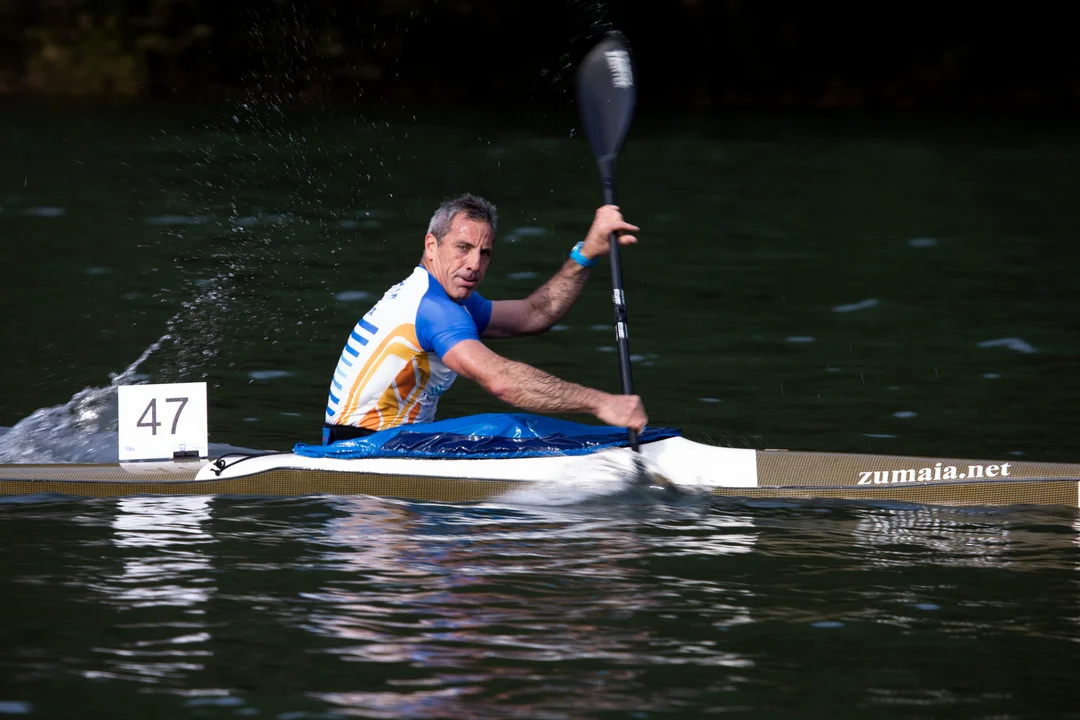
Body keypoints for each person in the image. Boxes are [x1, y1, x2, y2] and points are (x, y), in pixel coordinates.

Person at [322, 193, 647, 444]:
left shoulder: (444, 297)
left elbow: (534, 314)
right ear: (431, 246)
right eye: (463, 248)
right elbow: (502, 381)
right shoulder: (432, 309)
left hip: (379, 444)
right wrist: (601, 403)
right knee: (510, 428)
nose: (474, 264)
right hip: (361, 449)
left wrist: (586, 253)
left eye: (485, 253)